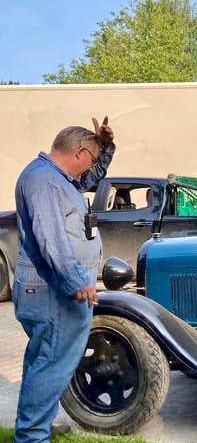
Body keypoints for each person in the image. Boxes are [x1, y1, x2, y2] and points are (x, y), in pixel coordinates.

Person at [13, 117, 116, 442]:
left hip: (50, 288)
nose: (90, 171)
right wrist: (77, 282)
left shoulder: (58, 178)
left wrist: (107, 146)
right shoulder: (45, 181)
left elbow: (92, 176)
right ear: (80, 153)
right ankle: (32, 435)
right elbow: (51, 237)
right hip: (54, 291)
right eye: (91, 160)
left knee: (43, 360)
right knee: (52, 364)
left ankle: (33, 426)